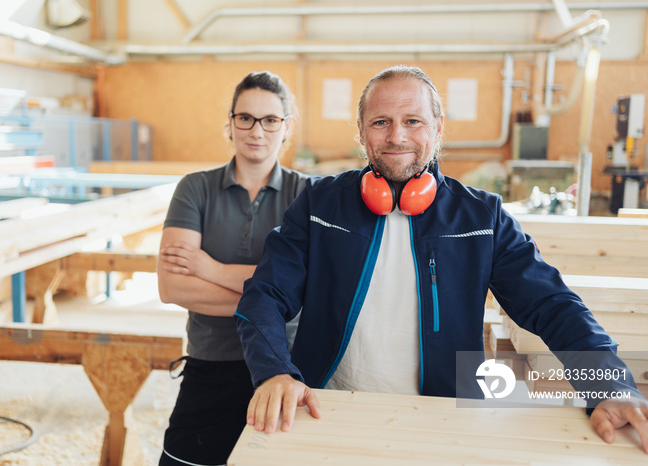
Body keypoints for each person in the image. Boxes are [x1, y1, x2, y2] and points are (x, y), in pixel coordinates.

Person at [234, 65, 648, 453]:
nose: (397, 135)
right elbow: (264, 296)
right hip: (328, 408)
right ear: (361, 132)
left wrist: (610, 383)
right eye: (381, 122)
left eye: (413, 121)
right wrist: (274, 371)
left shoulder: (481, 217)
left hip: (446, 417)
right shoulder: (319, 204)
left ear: (438, 128)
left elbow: (551, 304)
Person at [157, 70, 307, 465]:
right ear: (230, 122)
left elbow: (307, 289)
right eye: (246, 118)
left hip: (284, 370)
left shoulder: (308, 195)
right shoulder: (195, 188)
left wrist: (208, 267)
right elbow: (172, 288)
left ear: (286, 126)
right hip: (209, 364)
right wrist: (273, 298)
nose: (257, 130)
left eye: (270, 120)